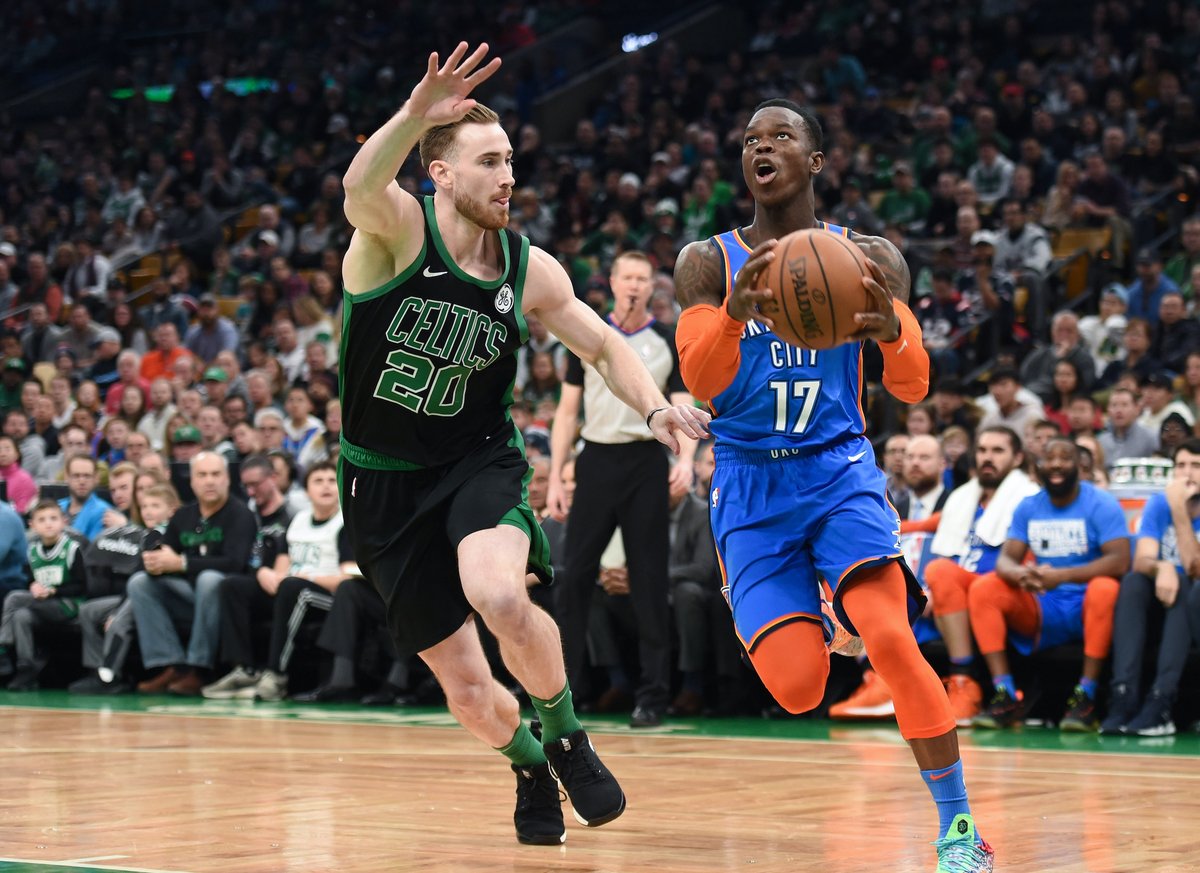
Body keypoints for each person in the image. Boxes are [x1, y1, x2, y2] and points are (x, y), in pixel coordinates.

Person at [337, 43, 708, 846]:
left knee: (500, 593)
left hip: (477, 457)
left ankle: (567, 734)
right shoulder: (395, 233)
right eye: (489, 162)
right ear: (441, 173)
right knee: (470, 692)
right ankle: (529, 764)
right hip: (382, 483)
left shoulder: (526, 265)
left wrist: (654, 410)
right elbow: (359, 186)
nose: (509, 176)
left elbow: (602, 344)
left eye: (510, 159)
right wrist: (414, 114)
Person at [672, 98, 992, 870]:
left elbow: (913, 386)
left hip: (837, 467)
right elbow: (701, 380)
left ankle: (958, 828)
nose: (761, 147)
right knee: (797, 688)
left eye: (780, 135)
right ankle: (817, 604)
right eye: (750, 138)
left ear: (815, 161)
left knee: (890, 636)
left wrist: (893, 331)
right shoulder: (706, 263)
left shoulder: (869, 256)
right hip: (749, 483)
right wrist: (734, 316)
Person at [548, 250, 695, 728]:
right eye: (627, 277)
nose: (634, 285)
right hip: (595, 459)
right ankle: (561, 698)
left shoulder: (666, 339)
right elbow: (567, 411)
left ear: (653, 287)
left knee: (649, 580)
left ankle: (653, 695)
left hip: (645, 461)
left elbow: (682, 403)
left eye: (642, 278)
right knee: (574, 577)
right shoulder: (588, 333)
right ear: (612, 282)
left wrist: (686, 461)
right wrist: (557, 474)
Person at [975, 438, 1128, 731]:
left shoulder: (1102, 503)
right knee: (985, 588)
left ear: (1080, 466)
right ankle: (1005, 692)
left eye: (1065, 458)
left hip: (1087, 603)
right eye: (1049, 458)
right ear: (1038, 467)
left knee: (1105, 588)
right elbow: (1006, 560)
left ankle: (1087, 696)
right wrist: (1021, 574)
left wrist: (1063, 575)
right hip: (1043, 602)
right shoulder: (1028, 506)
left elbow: (1120, 561)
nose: (1056, 464)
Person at [202, 461, 353, 701]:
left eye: (331, 481)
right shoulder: (298, 520)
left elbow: (347, 579)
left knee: (293, 587)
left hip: (329, 597)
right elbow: (281, 568)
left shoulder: (345, 524)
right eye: (318, 481)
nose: (326, 486)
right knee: (233, 586)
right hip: (293, 590)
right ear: (306, 491)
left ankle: (276, 675)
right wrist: (265, 573)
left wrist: (305, 577)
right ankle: (243, 669)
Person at [922, 427, 1040, 725]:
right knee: (937, 571)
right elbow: (940, 551)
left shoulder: (1029, 497)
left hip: (1009, 593)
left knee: (980, 587)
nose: (988, 457)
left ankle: (997, 687)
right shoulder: (962, 497)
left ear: (1018, 458)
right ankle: (963, 681)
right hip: (963, 593)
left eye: (998, 451)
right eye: (983, 450)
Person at [126, 452, 257, 696]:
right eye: (202, 475)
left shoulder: (240, 515)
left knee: (209, 579)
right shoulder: (183, 516)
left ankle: (199, 668)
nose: (209, 481)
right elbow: (166, 553)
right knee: (140, 582)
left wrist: (182, 563)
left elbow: (235, 563)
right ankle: (172, 665)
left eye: (215, 474)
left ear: (227, 479)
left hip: (225, 601)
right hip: (189, 597)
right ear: (192, 482)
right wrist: (155, 563)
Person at [1101, 439, 1200, 736]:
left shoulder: (1172, 504)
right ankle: (1123, 695)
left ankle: (1161, 701)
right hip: (1163, 602)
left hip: (1194, 607)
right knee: (1134, 582)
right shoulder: (1159, 502)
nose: (1186, 473)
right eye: (1180, 465)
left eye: (1195, 466)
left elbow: (1194, 568)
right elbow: (1143, 559)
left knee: (1187, 583)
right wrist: (1162, 567)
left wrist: (1179, 510)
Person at [0, 501, 88, 689]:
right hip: (41, 605)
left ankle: (3, 648)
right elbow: (29, 579)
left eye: (53, 518)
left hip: (68, 605)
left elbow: (81, 586)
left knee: (14, 599)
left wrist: (54, 590)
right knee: (21, 616)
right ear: (32, 525)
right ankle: (27, 668)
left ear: (64, 521)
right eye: (42, 520)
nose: (48, 523)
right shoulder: (32, 551)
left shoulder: (72, 549)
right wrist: (33, 586)